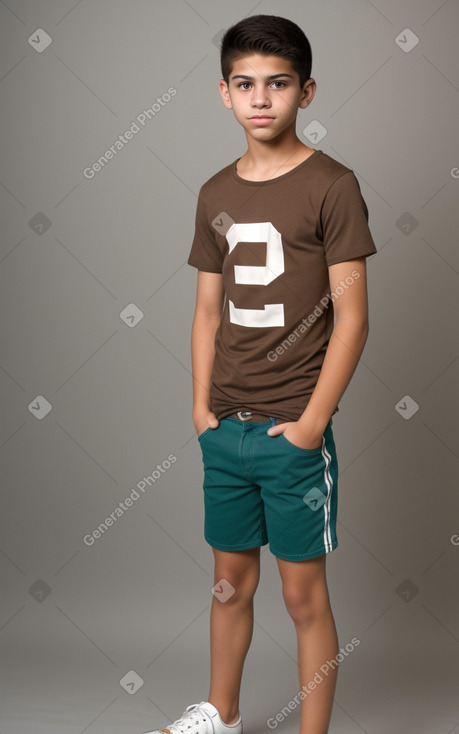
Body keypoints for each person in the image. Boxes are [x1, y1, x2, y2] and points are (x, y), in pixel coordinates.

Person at [145, 14, 376, 734]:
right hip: (226, 430)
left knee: (303, 598)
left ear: (305, 91)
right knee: (227, 587)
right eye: (245, 84)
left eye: (277, 84)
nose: (261, 99)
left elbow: (353, 318)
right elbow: (206, 313)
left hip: (290, 434)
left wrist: (310, 425)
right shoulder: (214, 192)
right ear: (223, 93)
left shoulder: (332, 184)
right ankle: (222, 712)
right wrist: (197, 409)